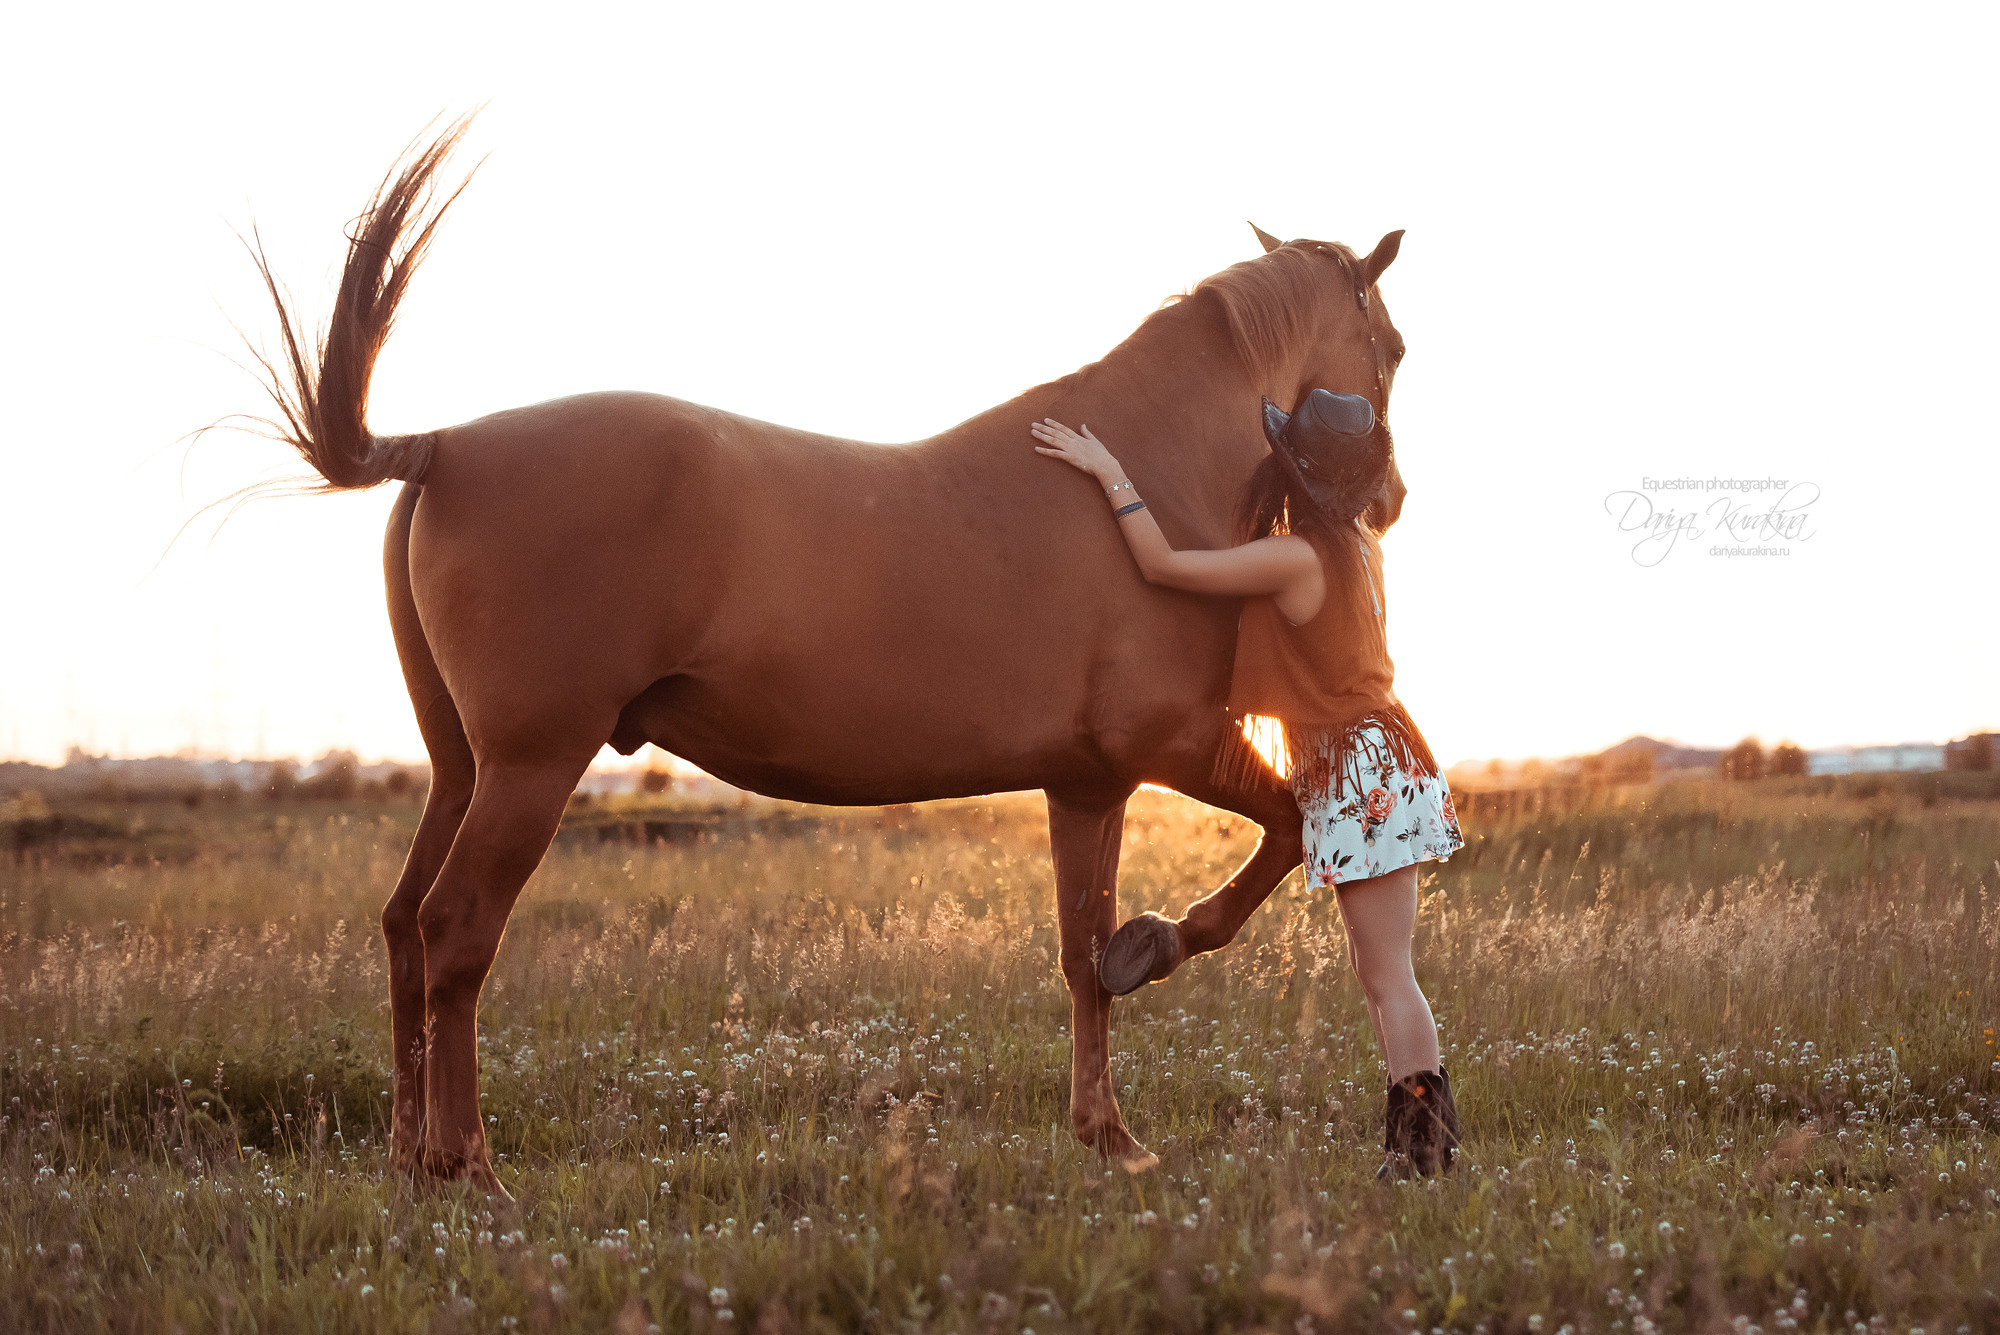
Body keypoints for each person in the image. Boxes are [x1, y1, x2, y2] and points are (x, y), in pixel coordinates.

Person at [1028, 391, 1465, 1177]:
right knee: (1381, 971)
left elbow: (1163, 564)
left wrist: (1109, 471)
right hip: (1384, 756)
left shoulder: (1299, 555)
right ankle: (1419, 1148)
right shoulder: (1363, 542)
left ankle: (1425, 1153)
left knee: (1389, 973)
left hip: (1357, 769)